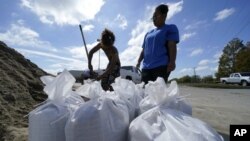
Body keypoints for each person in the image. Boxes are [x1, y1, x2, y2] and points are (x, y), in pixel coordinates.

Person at [136, 4, 179, 84]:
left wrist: (172, 61)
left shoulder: (170, 28)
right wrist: (138, 62)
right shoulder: (148, 33)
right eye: (153, 17)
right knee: (145, 92)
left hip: (161, 67)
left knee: (158, 93)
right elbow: (144, 50)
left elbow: (172, 45)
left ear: (164, 15)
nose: (153, 19)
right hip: (146, 68)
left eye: (155, 16)